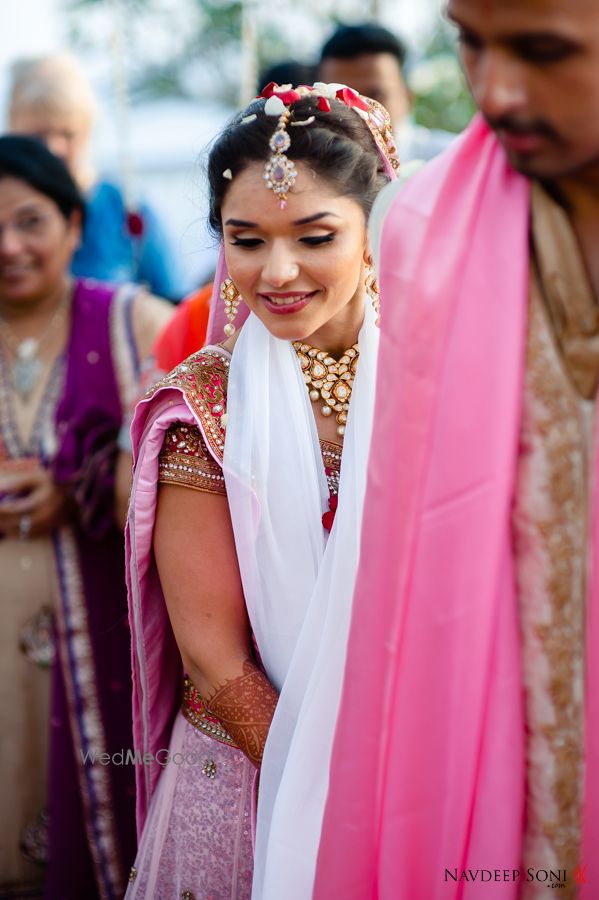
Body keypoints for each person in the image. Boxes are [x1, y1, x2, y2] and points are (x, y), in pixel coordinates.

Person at [315, 1, 599, 898]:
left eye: (544, 50)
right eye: (469, 44)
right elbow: (411, 553)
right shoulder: (426, 226)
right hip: (503, 711)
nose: (498, 91)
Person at [125, 82, 398, 898]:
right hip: (250, 771)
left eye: (314, 236)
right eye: (246, 240)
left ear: (374, 235)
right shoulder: (206, 405)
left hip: (416, 757)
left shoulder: (442, 386)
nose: (276, 271)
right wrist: (331, 794)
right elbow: (213, 661)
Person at [0, 135, 172, 899]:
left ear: (75, 224)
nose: (9, 246)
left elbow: (199, 468)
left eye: (30, 221)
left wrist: (88, 485)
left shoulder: (133, 323)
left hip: (94, 641)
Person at [7, 54, 187, 301]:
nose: (53, 149)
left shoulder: (127, 210)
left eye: (67, 134)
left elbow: (172, 302)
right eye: (38, 136)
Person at [319, 22, 454, 163]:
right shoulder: (302, 170)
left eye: (374, 97)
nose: (358, 112)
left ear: (408, 97)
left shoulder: (450, 160)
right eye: (338, 99)